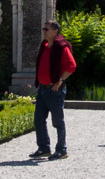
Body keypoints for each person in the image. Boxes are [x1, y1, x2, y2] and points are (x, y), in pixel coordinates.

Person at [30, 20, 76, 159]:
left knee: (57, 121)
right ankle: (44, 148)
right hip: (42, 89)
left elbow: (71, 66)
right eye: (43, 28)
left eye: (46, 29)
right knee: (38, 119)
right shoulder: (44, 46)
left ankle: (62, 149)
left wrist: (60, 80)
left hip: (54, 90)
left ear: (55, 31)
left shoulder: (62, 47)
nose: (44, 31)